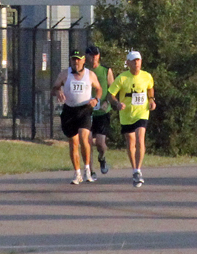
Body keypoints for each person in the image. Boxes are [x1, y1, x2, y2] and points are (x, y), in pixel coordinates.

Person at [52, 48, 102, 184]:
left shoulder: (90, 75)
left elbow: (99, 89)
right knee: (73, 143)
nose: (76, 62)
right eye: (74, 59)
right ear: (70, 60)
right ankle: (77, 173)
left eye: (79, 59)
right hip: (69, 111)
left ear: (84, 60)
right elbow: (55, 87)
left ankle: (87, 169)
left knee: (84, 137)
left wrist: (96, 99)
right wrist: (58, 92)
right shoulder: (64, 74)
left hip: (84, 110)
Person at [107, 50, 156, 186]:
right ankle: (134, 169)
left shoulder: (147, 76)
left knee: (140, 138)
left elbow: (150, 88)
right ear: (128, 63)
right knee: (130, 141)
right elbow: (110, 94)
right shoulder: (122, 78)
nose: (136, 63)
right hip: (127, 114)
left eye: (138, 60)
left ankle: (138, 170)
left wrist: (151, 100)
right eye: (133, 61)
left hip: (142, 112)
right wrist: (117, 103)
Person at [85, 44, 114, 175]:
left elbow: (113, 89)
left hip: (102, 112)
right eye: (91, 55)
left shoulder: (106, 71)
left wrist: (107, 101)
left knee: (101, 144)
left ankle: (102, 158)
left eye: (96, 55)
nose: (94, 58)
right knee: (88, 141)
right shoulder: (83, 72)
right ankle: (90, 170)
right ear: (86, 57)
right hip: (87, 112)